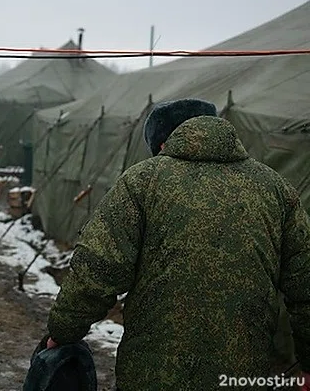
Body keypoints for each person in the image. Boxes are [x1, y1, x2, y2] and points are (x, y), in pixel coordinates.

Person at [45, 99, 310, 390]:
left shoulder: (142, 182)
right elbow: (305, 283)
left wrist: (63, 331)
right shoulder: (275, 188)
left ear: (163, 143)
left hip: (152, 375)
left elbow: (98, 269)